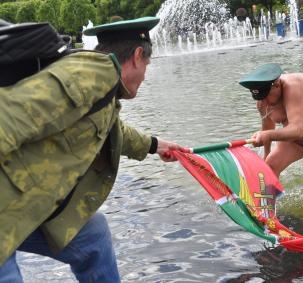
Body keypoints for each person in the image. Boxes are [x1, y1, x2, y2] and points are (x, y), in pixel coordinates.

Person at [0, 17, 186, 282]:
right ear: (136, 56)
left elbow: (110, 128)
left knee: (93, 235)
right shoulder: (93, 74)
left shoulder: (102, 86)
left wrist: (155, 145)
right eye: (147, 63)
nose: (145, 73)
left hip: (20, 205)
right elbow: (8, 116)